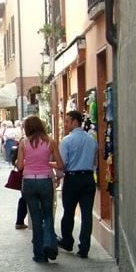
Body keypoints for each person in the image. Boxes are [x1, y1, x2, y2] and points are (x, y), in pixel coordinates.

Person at [17, 115, 64, 263]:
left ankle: (39, 254)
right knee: (48, 214)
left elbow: (19, 166)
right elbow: (61, 164)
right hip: (45, 181)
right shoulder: (51, 142)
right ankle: (49, 243)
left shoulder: (23, 144)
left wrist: (28, 161)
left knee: (35, 218)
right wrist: (48, 164)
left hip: (29, 182)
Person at [57, 110, 98, 258]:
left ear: (75, 122)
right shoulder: (92, 140)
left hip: (72, 179)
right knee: (87, 214)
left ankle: (67, 241)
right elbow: (94, 162)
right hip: (88, 179)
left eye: (67, 121)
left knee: (68, 212)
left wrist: (57, 173)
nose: (65, 124)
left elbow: (62, 164)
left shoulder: (66, 141)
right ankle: (84, 247)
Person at [9, 144, 28, 229]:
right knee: (24, 199)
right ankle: (20, 221)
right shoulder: (25, 146)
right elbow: (18, 164)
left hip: (25, 179)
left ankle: (20, 221)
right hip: (25, 179)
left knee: (24, 199)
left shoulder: (24, 144)